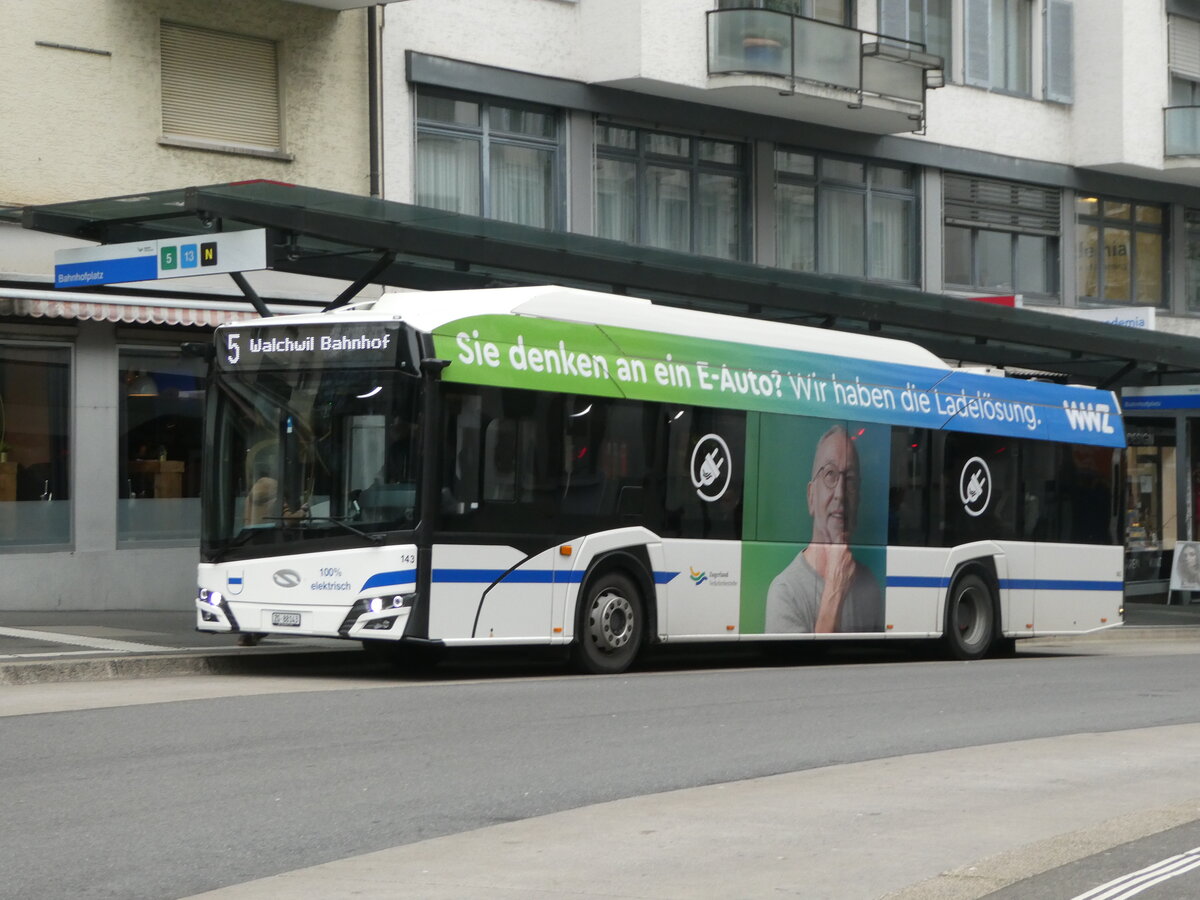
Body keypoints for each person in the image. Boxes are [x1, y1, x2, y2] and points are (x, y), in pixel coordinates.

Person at [765, 424, 884, 633]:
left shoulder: (871, 587)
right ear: (811, 496)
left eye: (850, 481)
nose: (840, 493)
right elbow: (811, 665)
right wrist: (835, 588)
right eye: (830, 475)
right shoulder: (785, 592)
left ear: (858, 500)